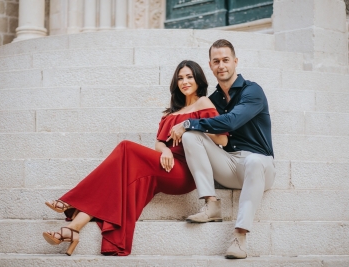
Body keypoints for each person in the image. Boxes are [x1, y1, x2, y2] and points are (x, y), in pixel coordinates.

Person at [42, 60, 228, 256]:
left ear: (198, 79)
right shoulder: (170, 113)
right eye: (180, 78)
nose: (185, 82)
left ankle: (72, 200)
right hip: (165, 164)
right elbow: (159, 142)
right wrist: (164, 150)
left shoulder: (204, 103)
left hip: (185, 171)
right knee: (117, 182)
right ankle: (73, 230)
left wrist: (191, 125)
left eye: (189, 77)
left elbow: (222, 138)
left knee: (125, 148)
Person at [168, 39, 275, 259]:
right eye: (216, 61)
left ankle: (240, 237)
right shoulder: (213, 100)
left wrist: (188, 123)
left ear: (235, 62)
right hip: (228, 165)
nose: (221, 65)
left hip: (259, 166)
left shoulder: (252, 91)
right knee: (191, 137)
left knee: (253, 161)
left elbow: (231, 122)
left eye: (226, 60)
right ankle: (211, 203)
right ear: (210, 65)